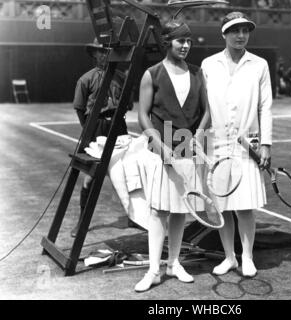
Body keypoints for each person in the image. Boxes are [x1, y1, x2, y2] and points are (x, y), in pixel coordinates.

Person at [135, 20, 210, 292]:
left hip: (187, 152)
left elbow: (207, 111)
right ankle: (153, 269)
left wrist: (198, 137)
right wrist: (159, 144)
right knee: (158, 211)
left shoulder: (198, 73)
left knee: (180, 211)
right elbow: (142, 116)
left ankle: (173, 263)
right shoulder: (151, 74)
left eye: (189, 41)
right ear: (167, 41)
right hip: (161, 150)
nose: (186, 46)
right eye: (181, 41)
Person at [201, 12, 272, 278]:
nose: (240, 35)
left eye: (245, 30)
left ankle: (248, 257)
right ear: (224, 33)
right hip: (217, 145)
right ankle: (229, 257)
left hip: (247, 146)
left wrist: (266, 144)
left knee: (244, 206)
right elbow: (205, 107)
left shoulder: (259, 65)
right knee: (222, 207)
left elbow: (266, 107)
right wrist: (198, 137)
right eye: (234, 30)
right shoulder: (209, 64)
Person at [72, 39, 128, 237]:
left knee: (126, 171)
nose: (105, 55)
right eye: (101, 52)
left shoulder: (121, 77)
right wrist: (89, 128)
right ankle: (82, 220)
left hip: (118, 125)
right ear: (94, 54)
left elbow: (127, 105)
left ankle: (132, 215)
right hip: (97, 127)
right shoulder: (86, 79)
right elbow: (79, 108)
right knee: (91, 175)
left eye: (109, 51)